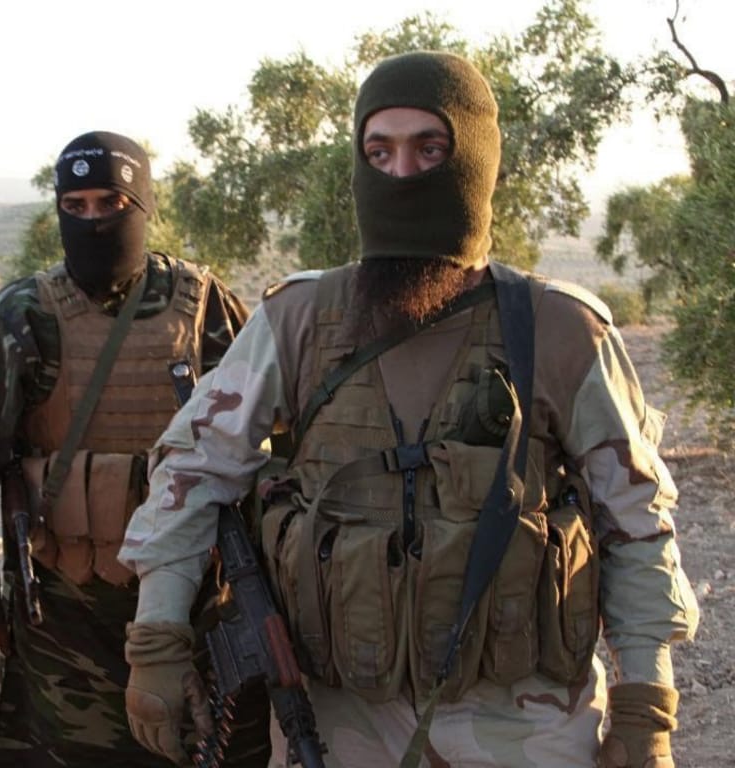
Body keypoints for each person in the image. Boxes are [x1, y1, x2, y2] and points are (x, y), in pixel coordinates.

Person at [119, 51, 700, 768]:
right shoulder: (302, 318)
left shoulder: (559, 329)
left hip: (523, 722)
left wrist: (647, 704)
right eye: (379, 151)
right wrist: (157, 635)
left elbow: (635, 519)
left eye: (430, 149)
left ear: (476, 163)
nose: (401, 174)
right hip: (339, 720)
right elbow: (191, 471)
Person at [0, 131, 267, 767]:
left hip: (198, 607)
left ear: (142, 204)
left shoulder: (206, 308)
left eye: (111, 203)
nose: (93, 220)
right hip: (65, 616)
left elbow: (257, 456)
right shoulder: (18, 317)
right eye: (76, 206)